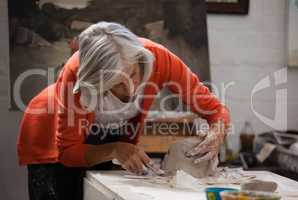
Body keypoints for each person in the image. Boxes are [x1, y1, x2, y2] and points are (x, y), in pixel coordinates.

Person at [17, 22, 230, 200]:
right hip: (49, 137)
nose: (130, 89)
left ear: (140, 60)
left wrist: (216, 133)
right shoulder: (76, 74)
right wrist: (115, 149)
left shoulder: (160, 59)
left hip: (104, 139)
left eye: (133, 73)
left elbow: (215, 110)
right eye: (116, 83)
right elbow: (68, 153)